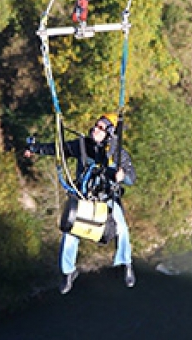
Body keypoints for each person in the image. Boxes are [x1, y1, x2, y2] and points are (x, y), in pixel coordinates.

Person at [24, 113, 137, 294]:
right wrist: (35, 149)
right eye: (96, 125)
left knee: (121, 227)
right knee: (70, 233)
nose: (95, 129)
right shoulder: (82, 145)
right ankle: (68, 272)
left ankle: (125, 263)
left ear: (109, 133)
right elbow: (58, 148)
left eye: (101, 128)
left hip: (106, 197)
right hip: (85, 195)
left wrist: (121, 176)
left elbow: (132, 177)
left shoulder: (118, 153)